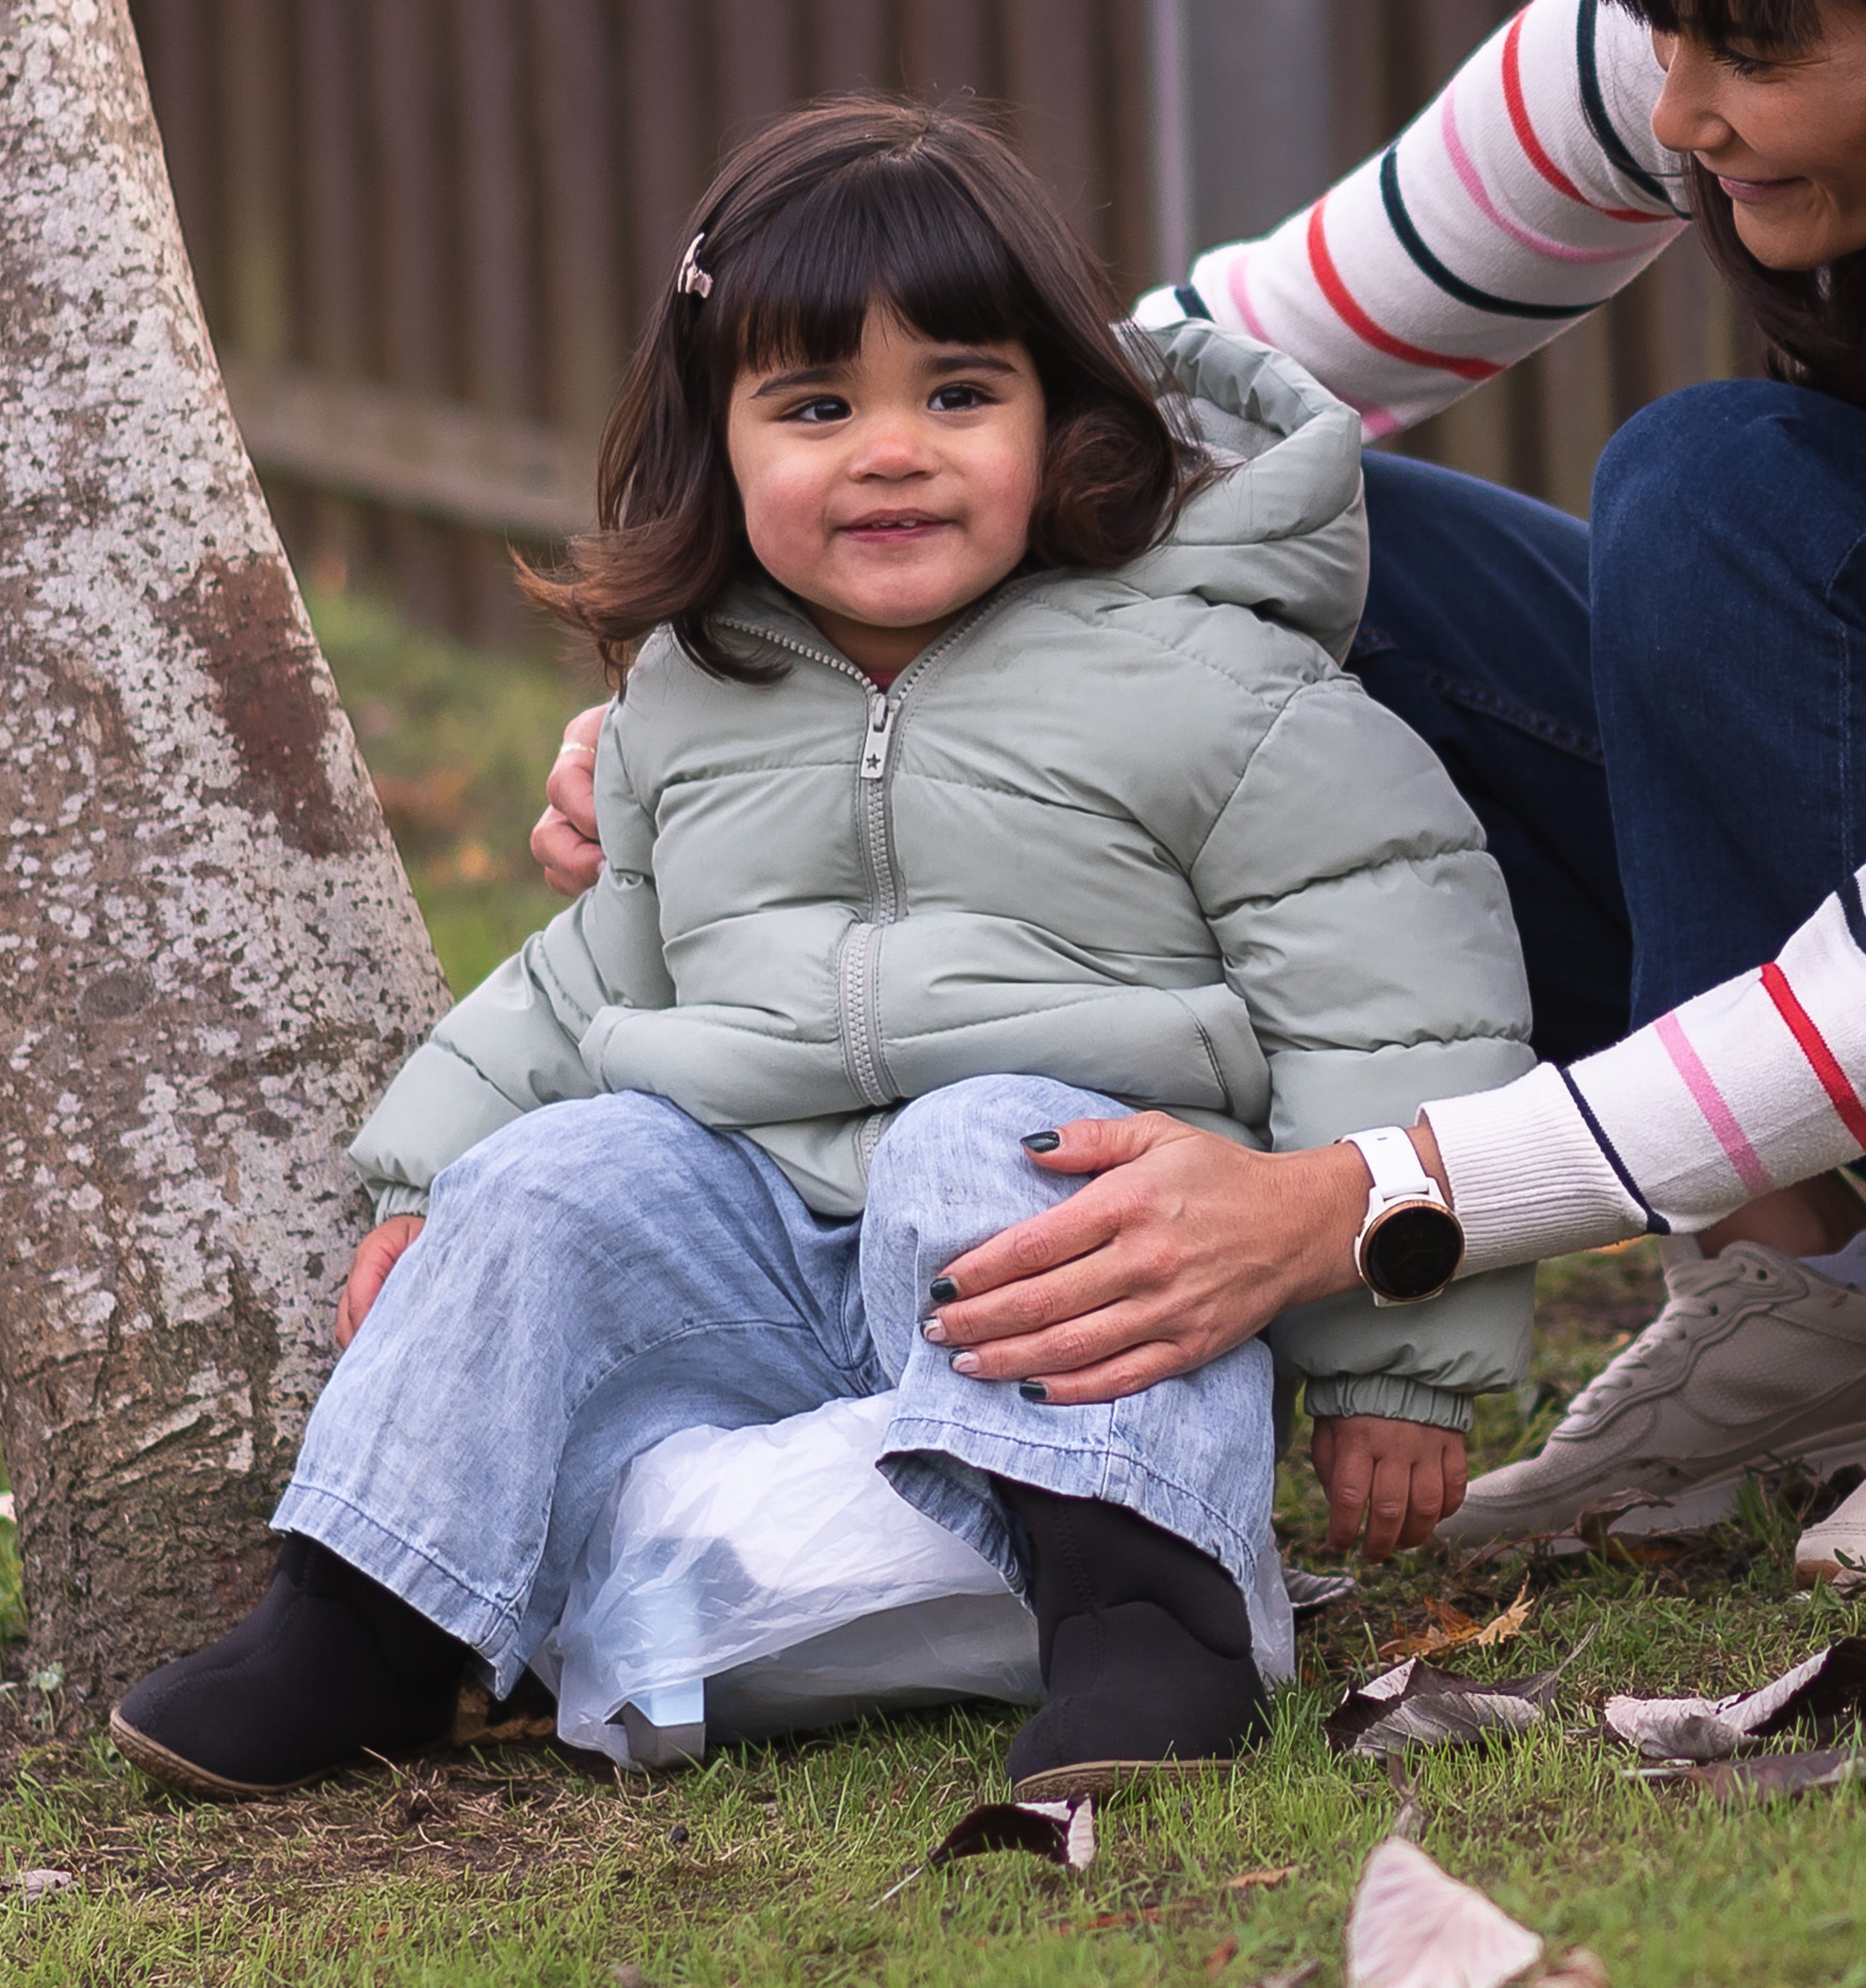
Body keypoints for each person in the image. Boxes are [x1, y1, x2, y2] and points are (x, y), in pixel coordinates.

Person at [110, 97, 1534, 1806]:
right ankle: (375, 1618)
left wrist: (1400, 1347)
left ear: (1061, 413)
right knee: (569, 1171)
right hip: (771, 1258)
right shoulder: (696, 699)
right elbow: (598, 974)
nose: (890, 449)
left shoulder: (1212, 679)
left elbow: (1395, 994)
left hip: (1070, 1268)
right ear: (719, 445)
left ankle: (1149, 1617)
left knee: (987, 1136)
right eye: (814, 405)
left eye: (957, 393)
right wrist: (435, 1176)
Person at [533, 0, 1866, 1569]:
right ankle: (1809, 1308)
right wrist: (731, 690)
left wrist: (1360, 1203)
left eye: (1758, 59)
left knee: (1699, 483)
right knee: (1300, 542)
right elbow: (1132, 400)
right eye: (1669, 37)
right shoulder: (1659, 64)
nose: (1678, 106)